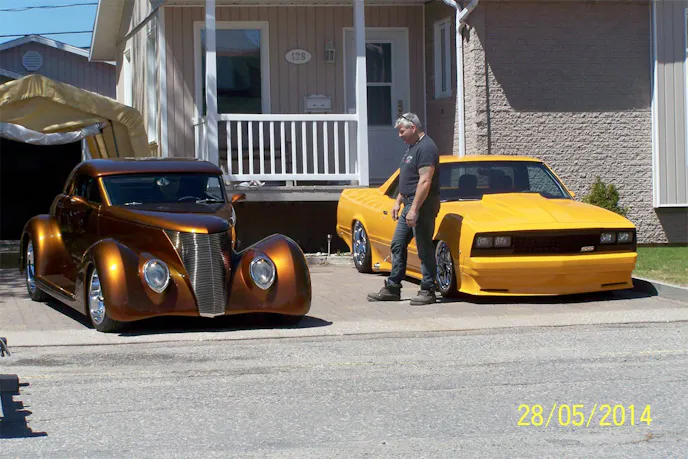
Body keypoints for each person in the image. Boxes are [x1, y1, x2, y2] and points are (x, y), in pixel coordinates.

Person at [367, 112, 440, 305]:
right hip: (408, 203)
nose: (400, 135)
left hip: (422, 205)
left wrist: (414, 209)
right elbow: (408, 179)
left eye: (402, 131)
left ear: (413, 128)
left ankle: (428, 290)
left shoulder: (426, 148)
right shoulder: (412, 148)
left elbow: (425, 181)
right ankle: (393, 288)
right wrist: (398, 201)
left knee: (424, 248)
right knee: (397, 244)